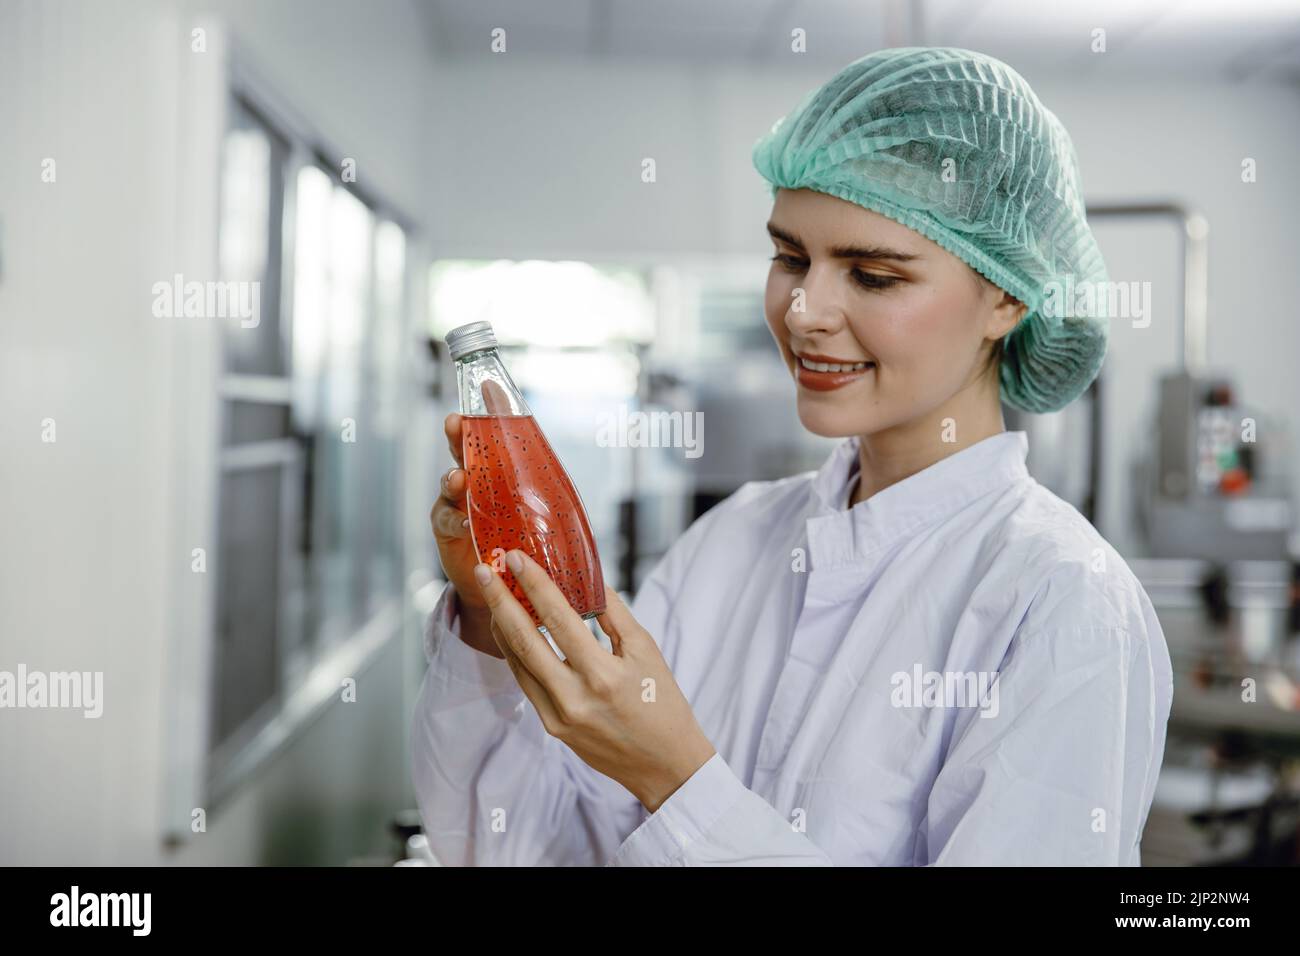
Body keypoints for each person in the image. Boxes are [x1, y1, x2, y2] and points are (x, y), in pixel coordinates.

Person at [411, 47, 1173, 866]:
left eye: (873, 275)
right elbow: (518, 849)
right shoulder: (734, 540)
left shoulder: (1062, 601)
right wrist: (492, 614)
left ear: (1008, 295)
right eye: (789, 257)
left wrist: (677, 780)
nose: (805, 310)